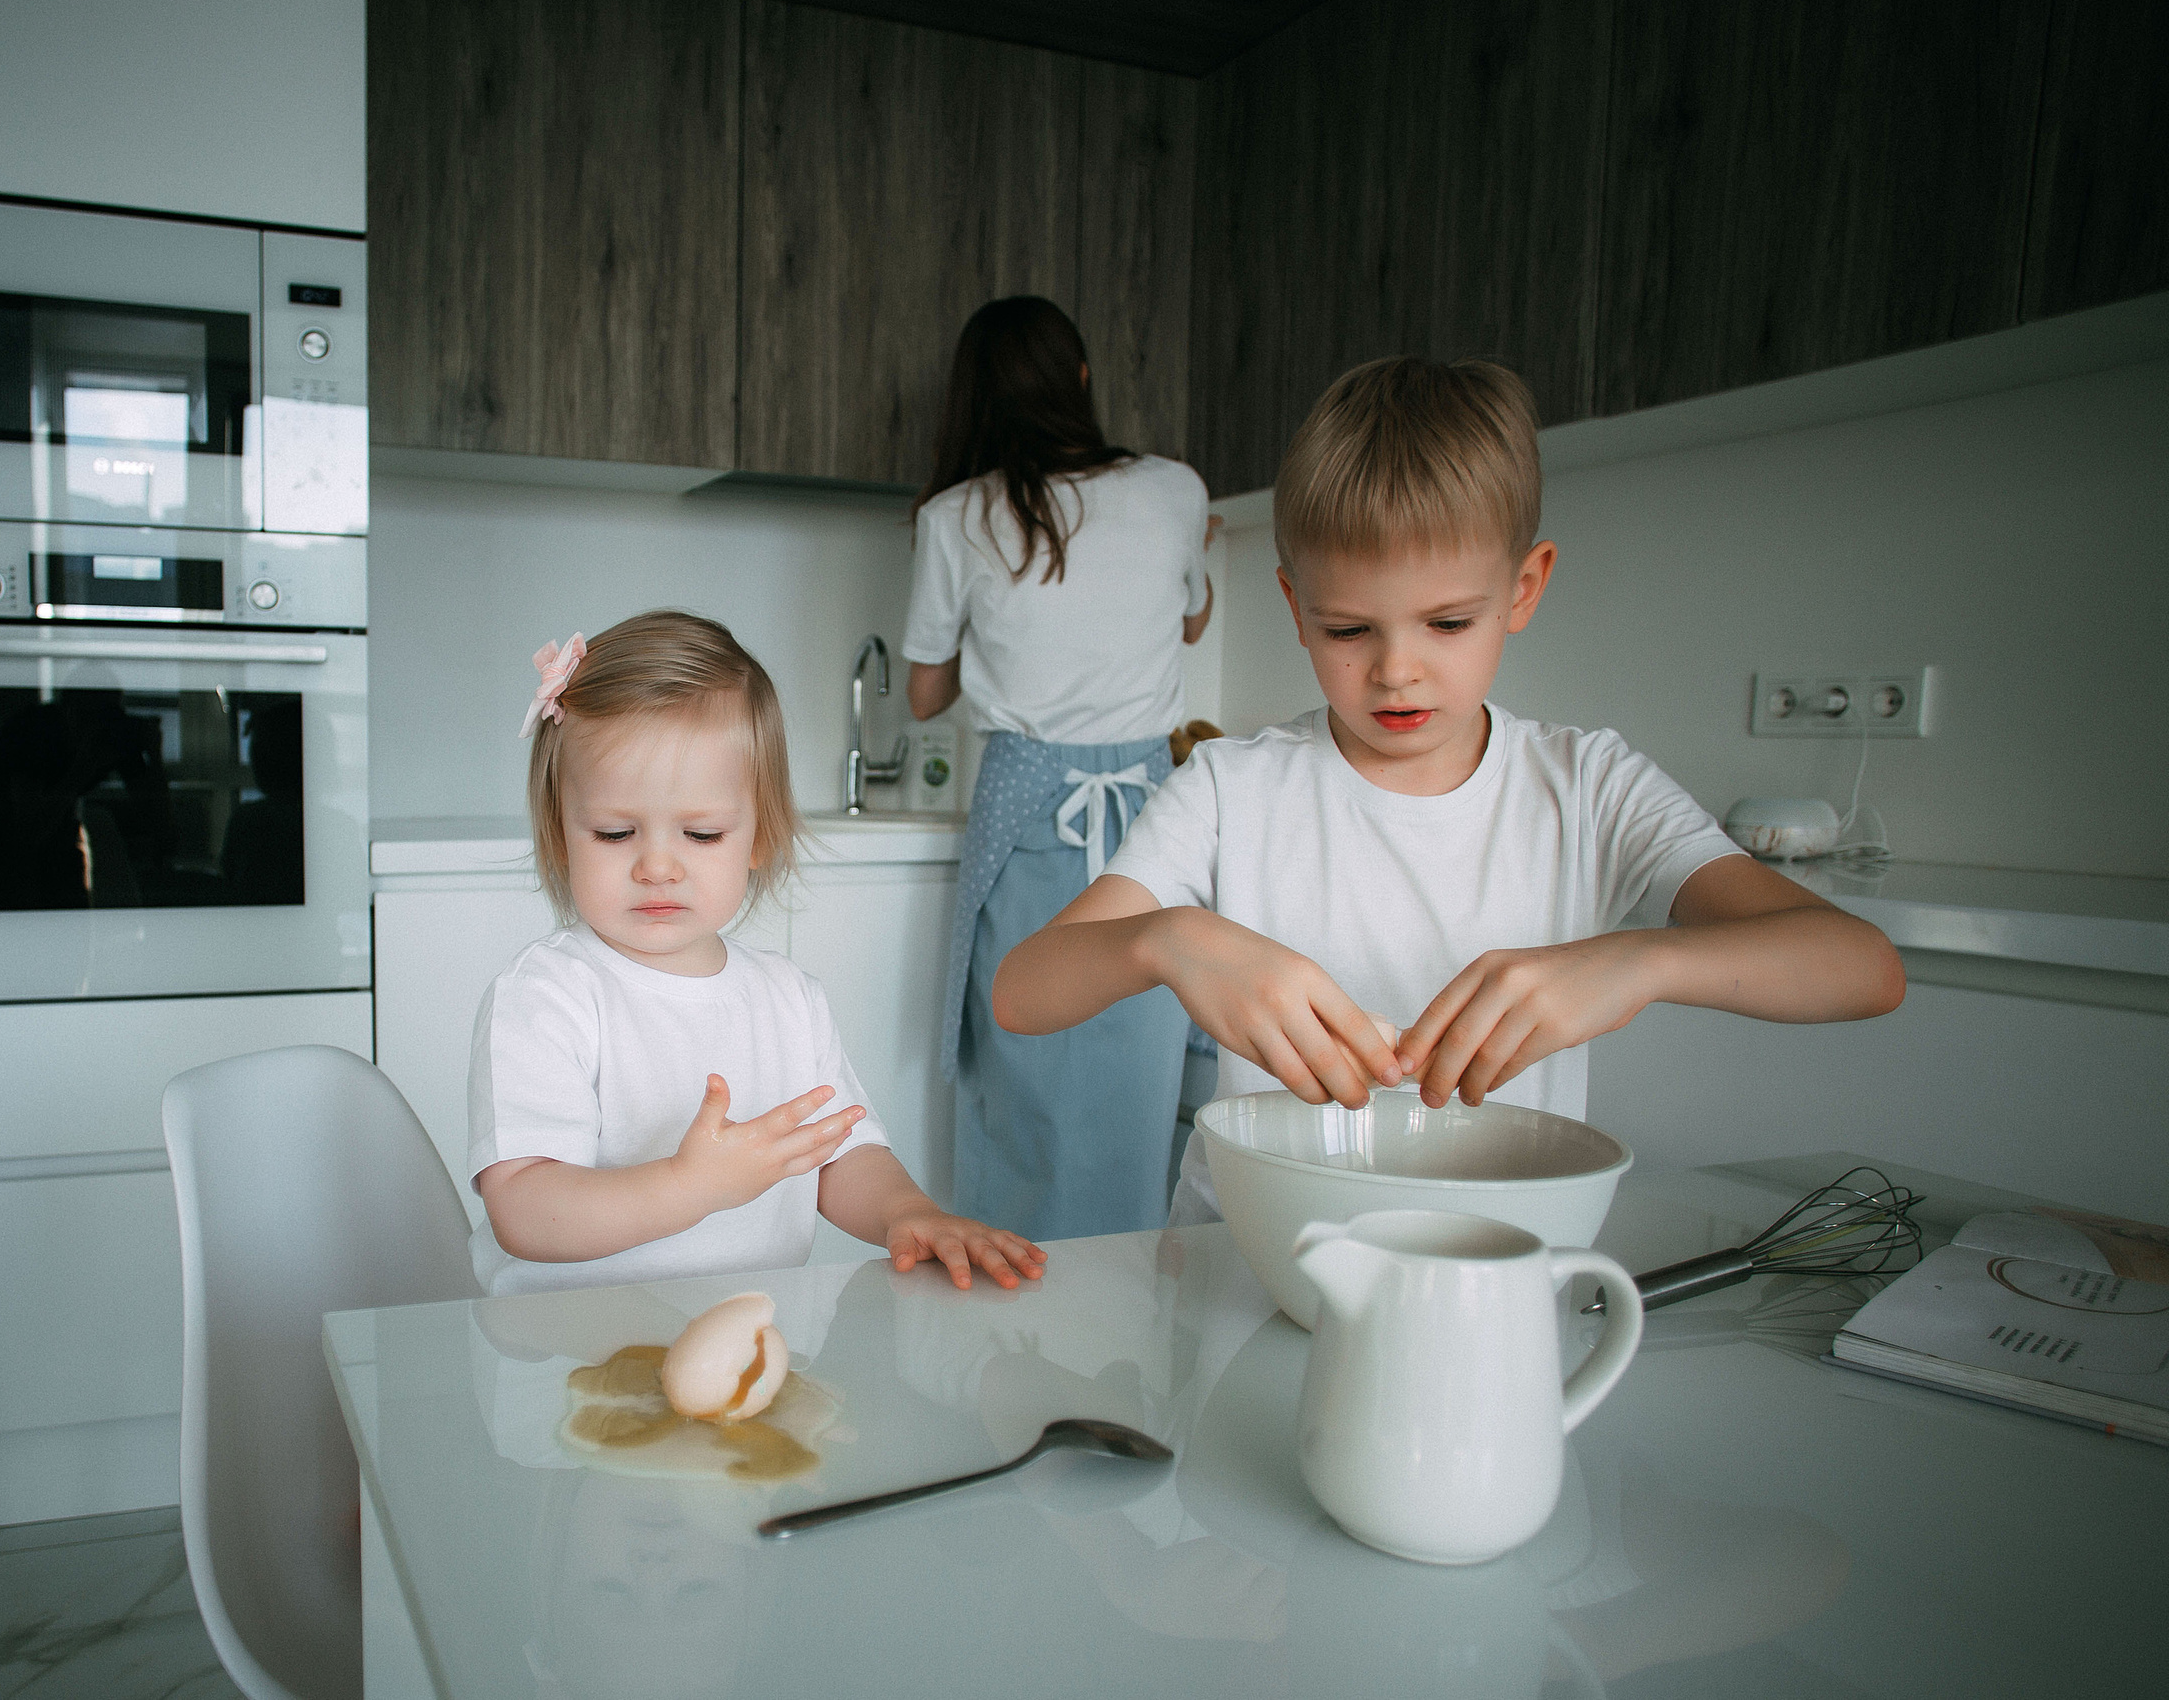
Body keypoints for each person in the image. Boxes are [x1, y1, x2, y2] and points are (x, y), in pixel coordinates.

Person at [992, 357, 1905, 1225]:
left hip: (1485, 1261)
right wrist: (1169, 941)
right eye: (1347, 627)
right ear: (1293, 605)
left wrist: (1641, 962)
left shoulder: (1587, 787)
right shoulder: (1233, 787)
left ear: (1524, 587)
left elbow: (1863, 966)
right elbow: (1022, 994)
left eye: (1448, 622)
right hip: (1241, 1254)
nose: (1397, 670)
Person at [468, 609, 1047, 1295]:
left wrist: (907, 1211)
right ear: (563, 837)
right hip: (568, 1364)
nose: (658, 865)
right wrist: (687, 1187)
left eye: (702, 833)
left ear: (760, 835)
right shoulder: (547, 995)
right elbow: (524, 1210)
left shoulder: (787, 999)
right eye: (616, 832)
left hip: (740, 1348)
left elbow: (841, 1154)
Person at [902, 295, 1217, 1241]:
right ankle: (1135, 1289)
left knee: (1025, 1044)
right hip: (1156, 804)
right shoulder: (1176, 490)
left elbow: (922, 696)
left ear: (976, 405)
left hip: (1029, 797)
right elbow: (1192, 619)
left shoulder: (958, 515)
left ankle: (1015, 1294)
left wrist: (998, 633)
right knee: (1142, 1047)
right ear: (1080, 381)